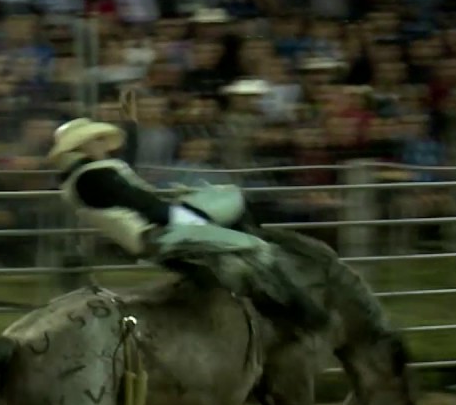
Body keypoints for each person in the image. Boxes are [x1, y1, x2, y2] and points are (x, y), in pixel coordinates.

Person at [47, 91, 328, 335]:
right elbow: (138, 201)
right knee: (257, 248)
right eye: (95, 139)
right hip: (160, 234)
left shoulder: (88, 177)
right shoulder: (93, 179)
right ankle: (302, 313)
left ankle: (269, 297)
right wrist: (190, 217)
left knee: (230, 202)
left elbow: (128, 184)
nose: (101, 143)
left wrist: (130, 126)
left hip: (158, 229)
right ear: (82, 147)